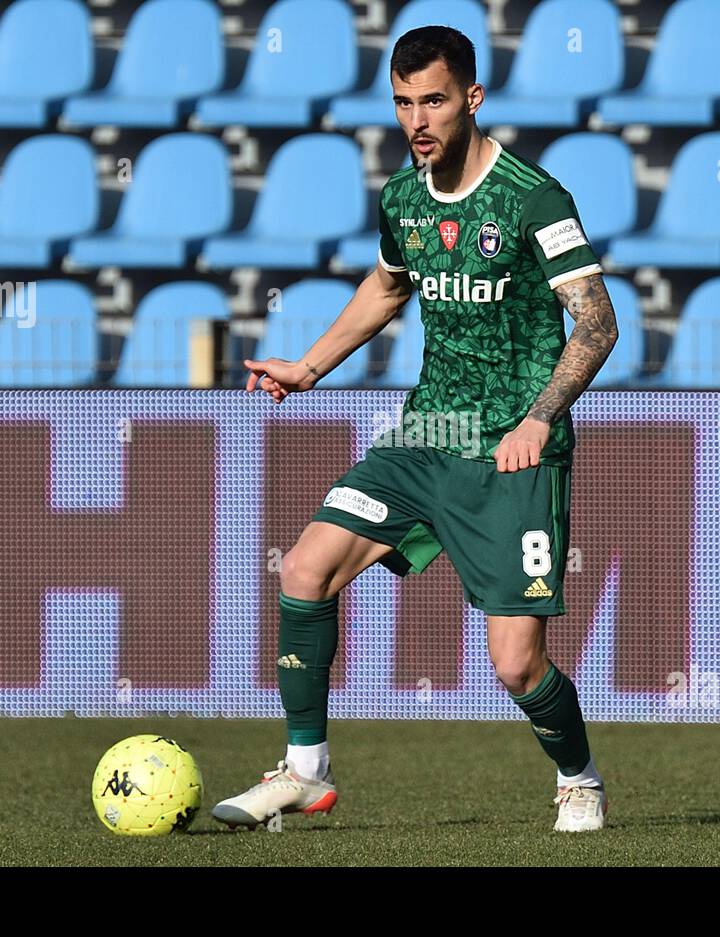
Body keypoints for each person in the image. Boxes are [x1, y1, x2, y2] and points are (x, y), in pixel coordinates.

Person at [213, 25, 619, 832]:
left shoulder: (534, 199)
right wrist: (311, 365)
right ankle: (304, 770)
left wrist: (540, 419)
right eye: (402, 103)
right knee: (304, 569)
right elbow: (389, 286)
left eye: (433, 100)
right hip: (425, 435)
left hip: (510, 452)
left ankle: (579, 776)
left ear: (471, 97)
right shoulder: (402, 196)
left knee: (516, 663)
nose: (417, 121)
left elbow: (599, 324)